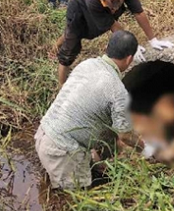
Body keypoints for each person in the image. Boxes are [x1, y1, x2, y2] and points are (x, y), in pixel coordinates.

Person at [35, 31, 145, 189]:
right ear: (129, 59)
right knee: (75, 201)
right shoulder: (117, 91)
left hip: (43, 135)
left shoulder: (87, 64)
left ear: (107, 47)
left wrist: (96, 158)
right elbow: (126, 136)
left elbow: (87, 112)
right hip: (61, 153)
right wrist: (145, 149)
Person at [55, 0, 174, 85]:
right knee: (71, 44)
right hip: (79, 11)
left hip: (99, 8)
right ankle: (62, 87)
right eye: (111, 8)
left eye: (117, 7)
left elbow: (138, 12)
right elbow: (113, 26)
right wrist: (133, 46)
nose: (114, 10)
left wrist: (153, 39)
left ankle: (60, 43)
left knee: (84, 32)